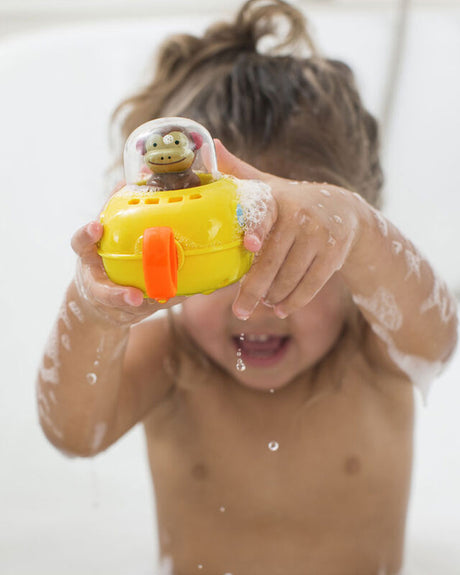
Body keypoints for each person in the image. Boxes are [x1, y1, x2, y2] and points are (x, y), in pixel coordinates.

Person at [36, 1, 458, 574]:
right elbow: (73, 434)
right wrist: (94, 314)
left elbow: (437, 339)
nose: (253, 305)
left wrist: (358, 228)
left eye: (293, 263)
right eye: (220, 266)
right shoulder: (172, 363)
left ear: (348, 264)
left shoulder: (372, 354)